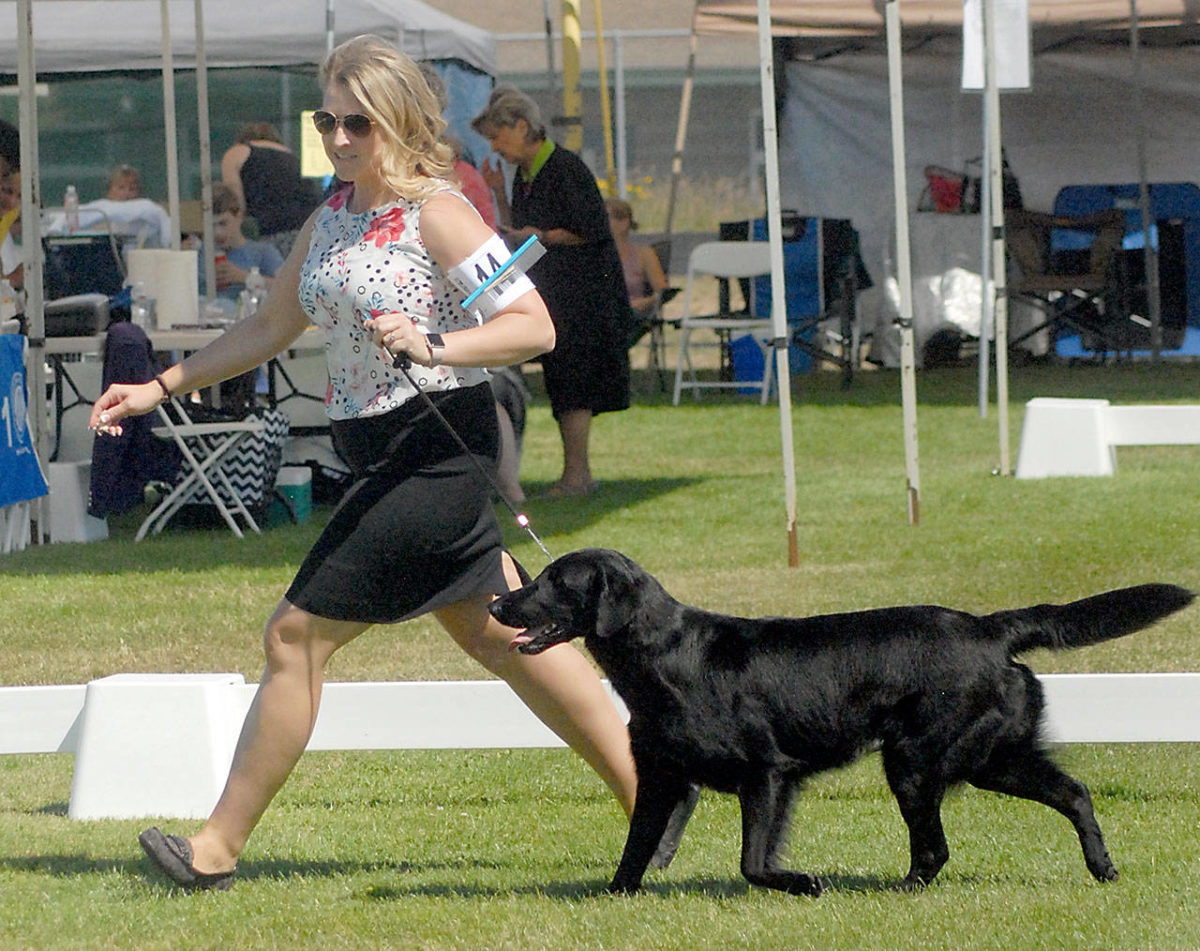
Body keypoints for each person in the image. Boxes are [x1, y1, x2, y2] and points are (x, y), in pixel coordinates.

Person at [90, 33, 645, 892]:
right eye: (327, 121)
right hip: (379, 453)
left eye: (358, 123)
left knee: (293, 634)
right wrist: (161, 384)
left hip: (430, 457)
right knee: (507, 636)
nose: (341, 139)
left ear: (398, 122)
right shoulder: (331, 217)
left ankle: (215, 848)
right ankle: (653, 799)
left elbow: (535, 324)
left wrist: (436, 340)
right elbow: (270, 328)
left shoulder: (440, 211)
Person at [473, 86, 631, 498]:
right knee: (562, 380)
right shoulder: (525, 174)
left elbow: (588, 228)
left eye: (497, 136)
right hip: (555, 292)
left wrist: (541, 234)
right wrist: (495, 192)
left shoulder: (563, 167)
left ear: (522, 126)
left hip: (582, 294)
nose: (495, 146)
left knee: (574, 382)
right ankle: (575, 474)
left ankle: (578, 476)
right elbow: (520, 227)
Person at [221, 121, 320, 259]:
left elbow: (234, 204)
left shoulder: (236, 153)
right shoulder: (291, 155)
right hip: (309, 235)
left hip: (269, 233)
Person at [198, 182, 284, 301]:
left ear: (238, 217)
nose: (217, 232)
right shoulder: (199, 255)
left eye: (223, 223)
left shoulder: (263, 253)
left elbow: (288, 289)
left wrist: (246, 278)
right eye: (211, 225)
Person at [606, 196, 668, 347]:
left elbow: (663, 292)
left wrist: (645, 302)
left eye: (607, 217)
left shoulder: (644, 254)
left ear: (624, 222)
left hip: (632, 313)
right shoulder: (594, 255)